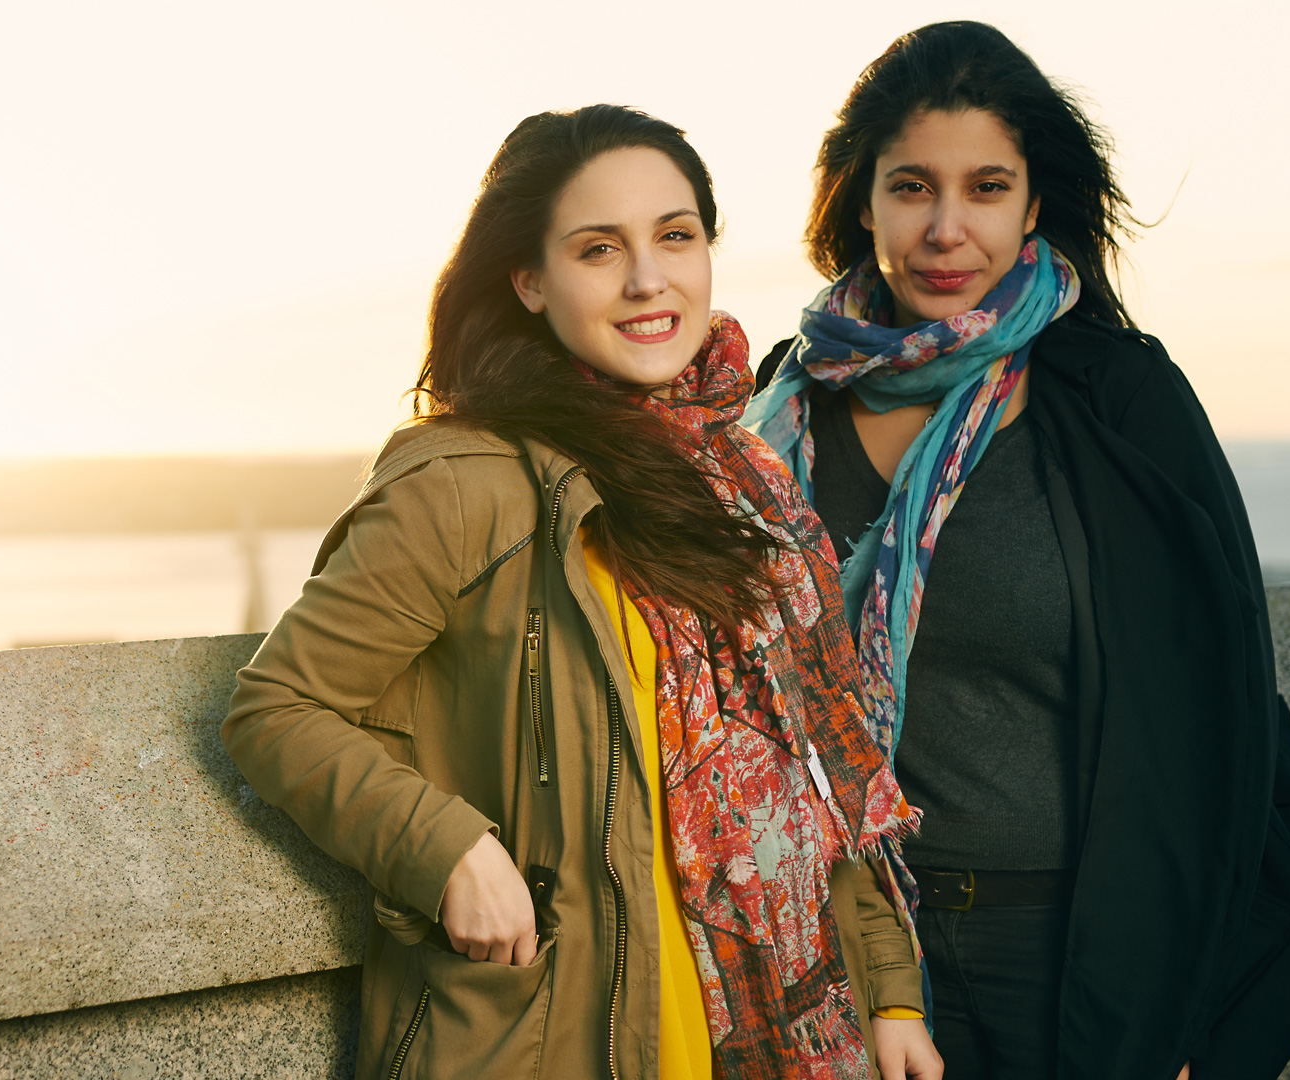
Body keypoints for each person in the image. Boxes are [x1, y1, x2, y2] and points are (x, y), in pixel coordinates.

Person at [225, 104, 943, 1079]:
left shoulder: (745, 480)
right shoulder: (466, 484)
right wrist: (445, 850)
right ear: (528, 279)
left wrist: (889, 991)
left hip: (790, 1040)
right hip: (573, 1042)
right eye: (598, 249)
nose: (648, 279)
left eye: (674, 237)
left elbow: (816, 770)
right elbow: (278, 708)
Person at [742, 22, 1290, 1080]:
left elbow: (1225, 704)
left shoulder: (1116, 397)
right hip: (841, 944)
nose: (944, 227)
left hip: (1064, 954)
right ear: (861, 199)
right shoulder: (790, 402)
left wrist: (1197, 1011)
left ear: (1029, 207)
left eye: (984, 187)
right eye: (911, 187)